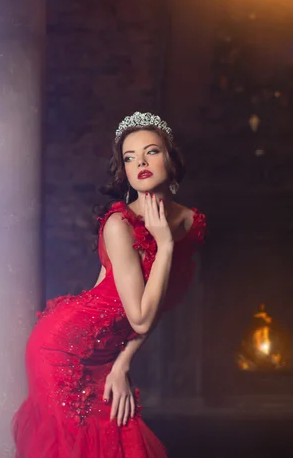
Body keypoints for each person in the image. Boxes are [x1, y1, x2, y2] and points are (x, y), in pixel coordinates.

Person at [12, 111, 206, 458]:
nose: (141, 162)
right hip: (63, 350)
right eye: (130, 158)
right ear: (126, 172)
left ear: (171, 160)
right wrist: (164, 245)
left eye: (151, 151)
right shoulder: (120, 223)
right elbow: (141, 318)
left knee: (119, 440)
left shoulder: (190, 222)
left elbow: (158, 302)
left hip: (107, 352)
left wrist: (122, 362)